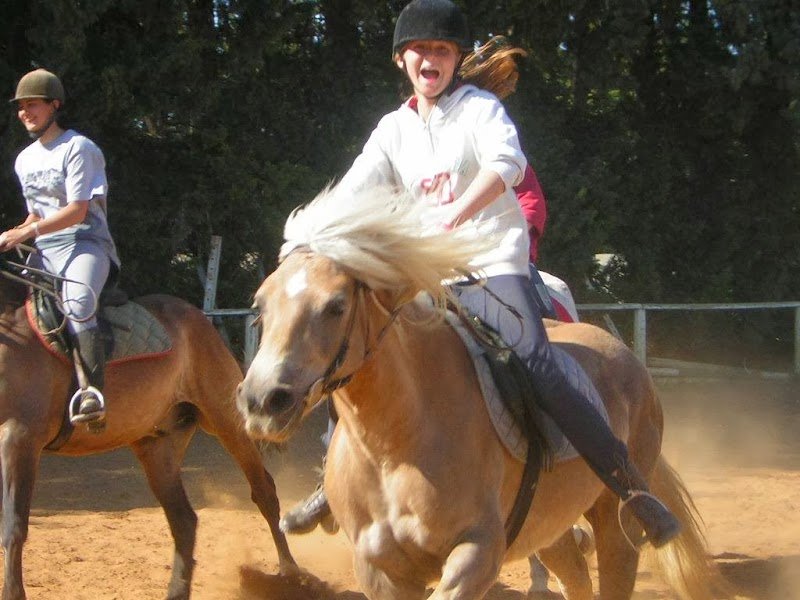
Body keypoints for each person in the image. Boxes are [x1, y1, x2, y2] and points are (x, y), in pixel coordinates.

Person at [281, 0, 681, 549]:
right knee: (357, 348)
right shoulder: (392, 130)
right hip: (426, 279)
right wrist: (304, 239)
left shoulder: (480, 109)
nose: (431, 58)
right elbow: (352, 191)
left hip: (491, 266)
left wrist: (457, 214)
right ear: (402, 59)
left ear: (455, 60)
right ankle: (332, 481)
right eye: (420, 49)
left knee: (536, 359)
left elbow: (506, 164)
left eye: (442, 50)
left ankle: (631, 485)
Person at [1, 68, 121, 425]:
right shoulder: (25, 159)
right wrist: (14, 231)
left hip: (85, 243)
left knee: (78, 300)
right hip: (45, 249)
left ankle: (91, 392)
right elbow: (35, 213)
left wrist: (27, 232)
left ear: (54, 105)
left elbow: (76, 210)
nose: (25, 113)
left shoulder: (78, 148)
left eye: (33, 105)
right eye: (21, 107)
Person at [515, 164, 580, 323]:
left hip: (506, 258)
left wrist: (504, 238)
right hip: (449, 261)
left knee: (545, 308)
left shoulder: (511, 160)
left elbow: (531, 206)